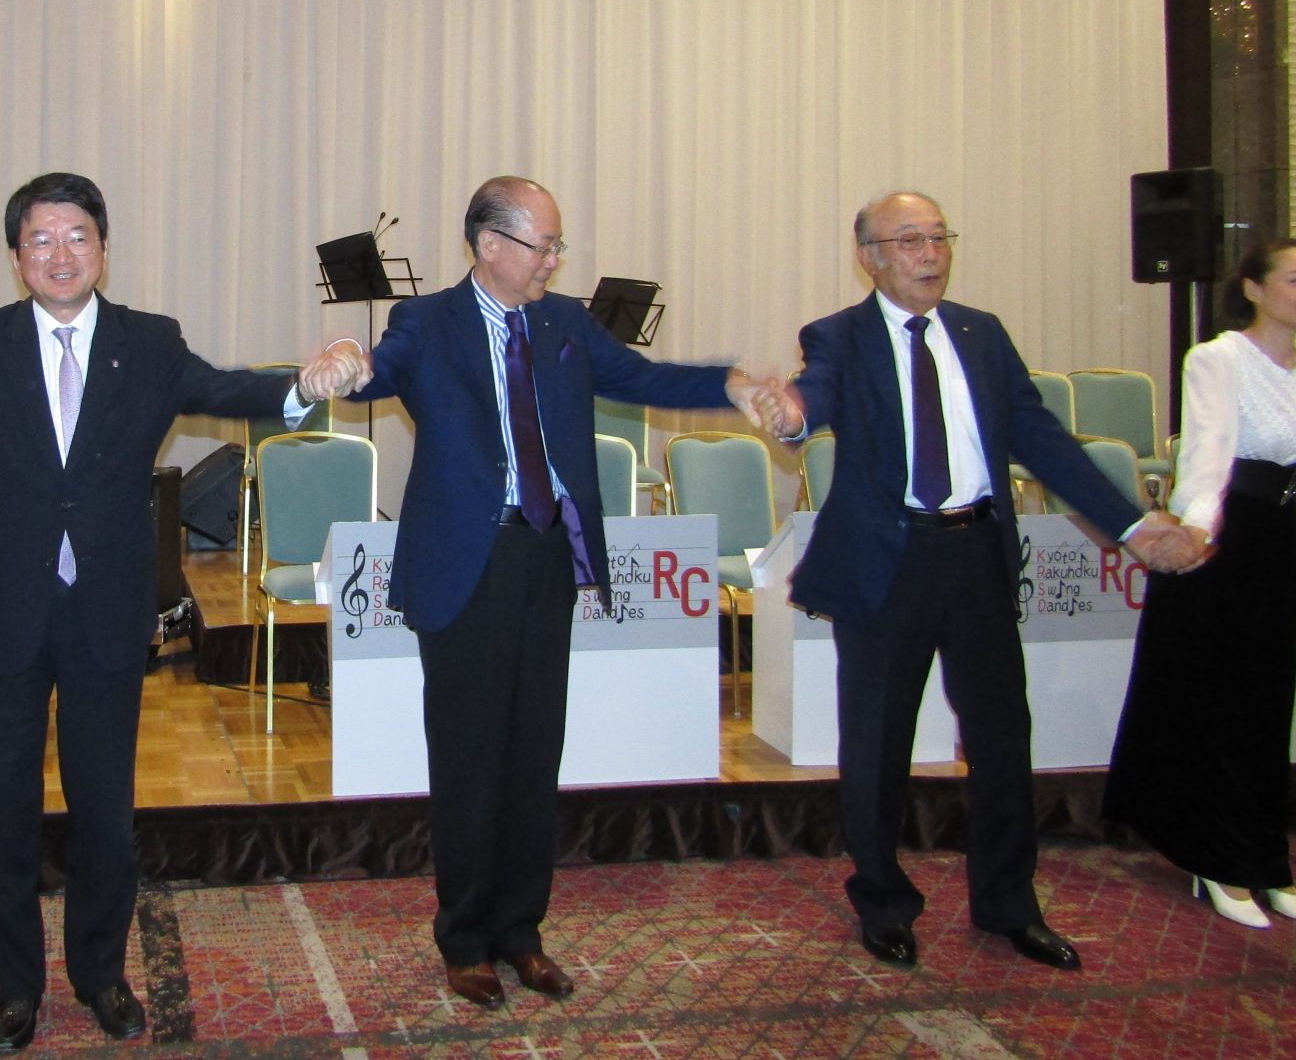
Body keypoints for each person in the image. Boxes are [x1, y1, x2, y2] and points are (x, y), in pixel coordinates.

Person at [0, 172, 365, 1053]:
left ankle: (101, 974)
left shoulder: (149, 341)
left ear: (102, 247)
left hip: (105, 609)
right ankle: (15, 986)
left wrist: (306, 384)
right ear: (17, 257)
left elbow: (228, 391)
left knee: (105, 811)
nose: (60, 255)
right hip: (6, 610)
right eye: (41, 240)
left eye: (77, 237)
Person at [343, 175, 789, 1009]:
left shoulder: (565, 324)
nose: (554, 260)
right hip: (467, 567)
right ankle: (464, 940)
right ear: (489, 245)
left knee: (533, 753)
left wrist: (728, 384)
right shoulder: (426, 322)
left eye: (557, 245)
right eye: (542, 245)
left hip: (546, 560)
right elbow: (377, 373)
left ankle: (522, 933)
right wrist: (343, 367)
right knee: (470, 759)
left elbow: (644, 378)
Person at [788, 190, 1192, 974]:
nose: (930, 254)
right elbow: (816, 396)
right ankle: (883, 901)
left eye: (939, 237)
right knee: (878, 742)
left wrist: (1135, 526)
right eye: (910, 240)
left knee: (1003, 738)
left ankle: (1010, 904)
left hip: (977, 553)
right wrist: (791, 416)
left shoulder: (981, 333)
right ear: (869, 256)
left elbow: (1045, 441)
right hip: (889, 563)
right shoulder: (838, 335)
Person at [1105, 238, 1296, 928]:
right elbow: (1209, 455)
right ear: (1253, 288)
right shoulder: (1220, 358)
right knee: (1219, 701)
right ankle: (1215, 857)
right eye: (1294, 279)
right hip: (1228, 538)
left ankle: (1267, 857)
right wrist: (1194, 537)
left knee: (1271, 704)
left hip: (1286, 541)